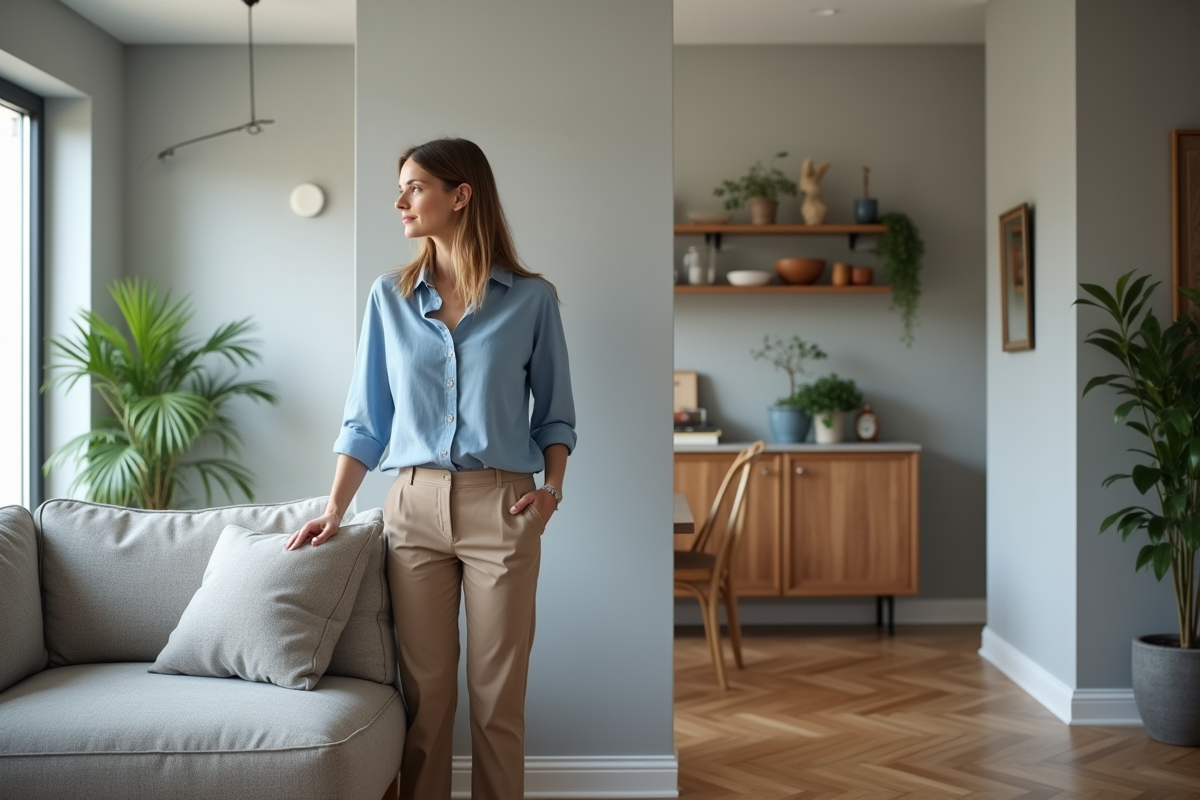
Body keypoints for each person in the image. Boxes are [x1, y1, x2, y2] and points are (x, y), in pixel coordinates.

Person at [285, 137, 576, 800]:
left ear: (460, 195)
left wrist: (551, 492)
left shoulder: (531, 301)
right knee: (425, 698)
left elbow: (556, 416)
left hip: (503, 506)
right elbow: (365, 418)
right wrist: (334, 507)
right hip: (411, 509)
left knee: (497, 697)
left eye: (415, 187)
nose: (401, 201)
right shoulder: (390, 298)